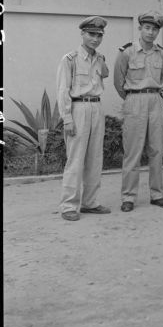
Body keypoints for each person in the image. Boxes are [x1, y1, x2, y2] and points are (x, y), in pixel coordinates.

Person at [114, 11, 163, 212]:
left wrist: (158, 96)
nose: (150, 32)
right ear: (140, 29)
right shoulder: (127, 52)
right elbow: (118, 83)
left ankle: (157, 194)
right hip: (134, 100)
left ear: (158, 32)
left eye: (155, 29)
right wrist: (132, 99)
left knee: (156, 150)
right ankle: (128, 197)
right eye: (147, 28)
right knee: (133, 151)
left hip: (156, 100)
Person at [57, 16, 112, 221]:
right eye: (91, 34)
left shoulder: (100, 59)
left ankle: (90, 202)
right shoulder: (69, 59)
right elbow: (63, 90)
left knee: (95, 158)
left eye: (99, 35)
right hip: (78, 108)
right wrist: (67, 118)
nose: (95, 39)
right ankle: (69, 205)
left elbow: (104, 75)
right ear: (82, 34)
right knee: (75, 159)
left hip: (96, 107)